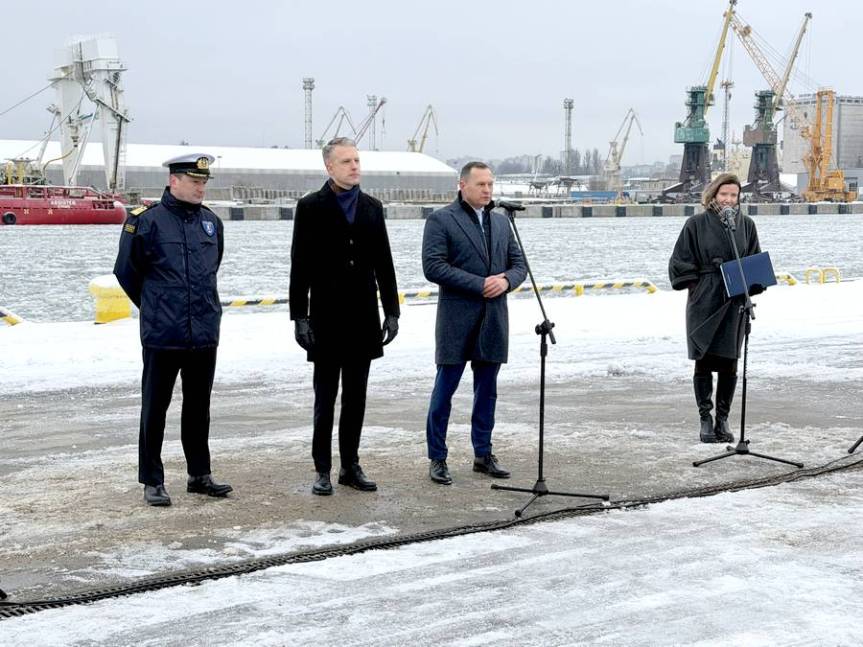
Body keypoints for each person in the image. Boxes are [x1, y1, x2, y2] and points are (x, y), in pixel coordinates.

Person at [114, 152, 232, 506]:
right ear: (174, 181)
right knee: (155, 407)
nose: (200, 188)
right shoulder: (146, 222)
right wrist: (154, 306)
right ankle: (152, 479)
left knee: (199, 406)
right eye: (194, 182)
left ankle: (199, 474)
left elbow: (212, 269)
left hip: (204, 332)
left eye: (203, 183)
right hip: (163, 333)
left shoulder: (211, 223)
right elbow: (126, 272)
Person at [289, 137, 400, 496]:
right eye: (346, 161)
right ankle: (322, 468)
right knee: (326, 397)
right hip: (326, 317)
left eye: (356, 160)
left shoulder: (371, 207)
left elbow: (384, 261)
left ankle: (350, 465)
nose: (354, 166)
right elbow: (299, 266)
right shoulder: (310, 207)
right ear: (329, 167)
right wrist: (299, 317)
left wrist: (392, 311)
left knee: (356, 397)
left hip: (363, 316)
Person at [421, 161, 527, 485]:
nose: (487, 190)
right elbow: (433, 267)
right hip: (457, 318)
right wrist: (480, 283)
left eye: (490, 185)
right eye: (481, 184)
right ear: (462, 186)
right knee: (444, 391)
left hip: (493, 319)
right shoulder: (441, 220)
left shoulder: (501, 222)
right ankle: (437, 457)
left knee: (487, 392)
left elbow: (519, 263)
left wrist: (507, 281)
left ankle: (483, 453)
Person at [668, 172, 763, 444]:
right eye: (724, 195)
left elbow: (754, 256)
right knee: (704, 358)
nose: (729, 200)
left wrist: (752, 284)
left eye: (734, 196)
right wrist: (696, 286)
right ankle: (705, 418)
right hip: (705, 298)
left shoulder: (746, 225)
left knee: (730, 361)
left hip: (735, 300)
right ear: (713, 195)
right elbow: (680, 261)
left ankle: (723, 418)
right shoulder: (695, 224)